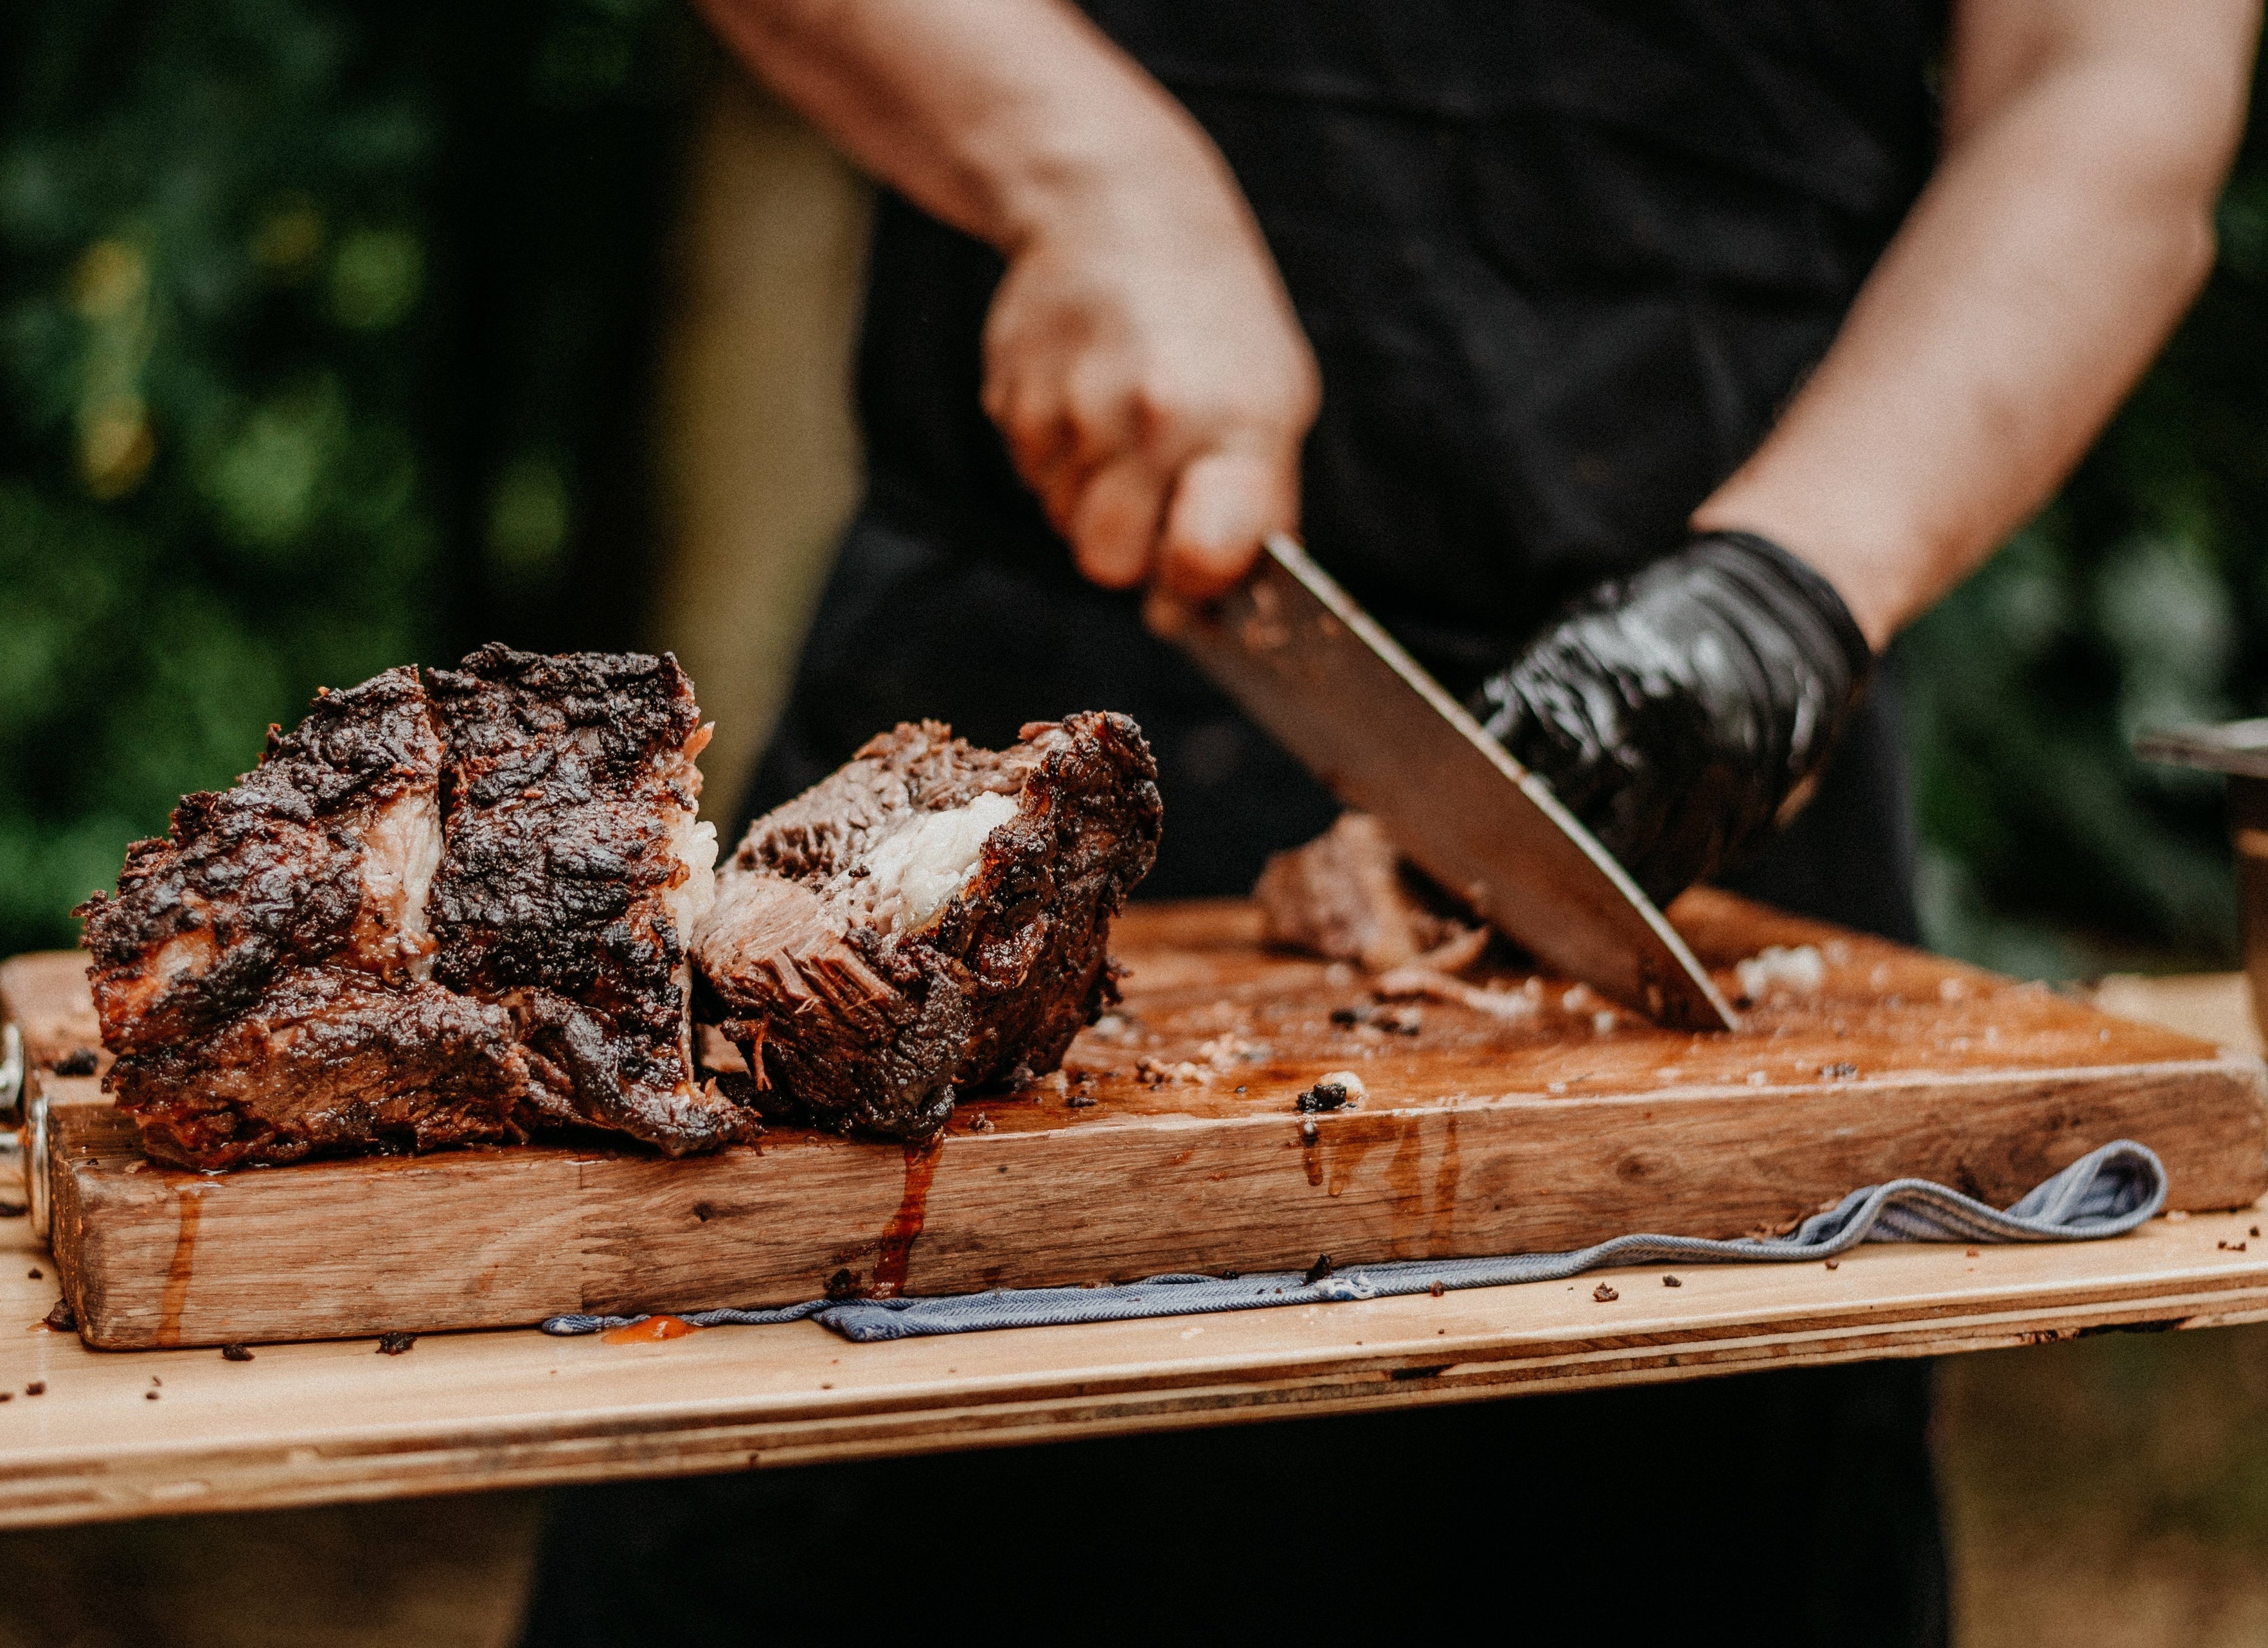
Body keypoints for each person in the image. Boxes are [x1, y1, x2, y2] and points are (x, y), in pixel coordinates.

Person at [522, 2, 2259, 1641]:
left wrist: (1781, 605)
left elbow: (2113, 80)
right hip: (1006, 757)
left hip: (1709, 842)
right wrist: (1076, 160)